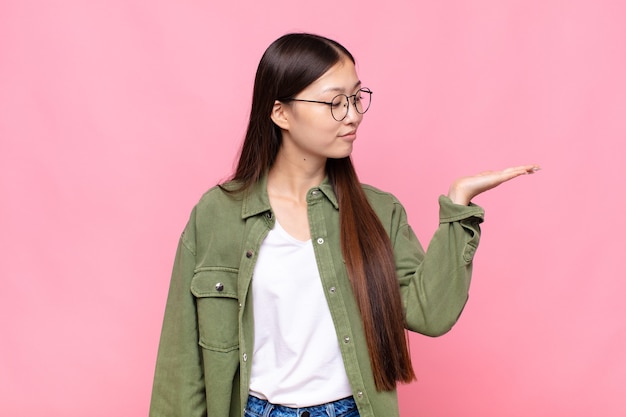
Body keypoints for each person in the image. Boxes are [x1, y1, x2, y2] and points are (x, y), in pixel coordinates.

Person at [149, 33, 539, 417]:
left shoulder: (377, 211)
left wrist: (459, 206)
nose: (353, 114)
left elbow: (429, 314)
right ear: (281, 112)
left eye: (356, 98)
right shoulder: (217, 214)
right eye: (335, 102)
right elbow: (182, 363)